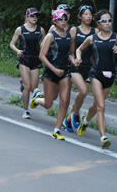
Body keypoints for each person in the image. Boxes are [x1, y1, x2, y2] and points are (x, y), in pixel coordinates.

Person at [75, 9, 117, 148]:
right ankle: (103, 137)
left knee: (96, 106)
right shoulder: (92, 38)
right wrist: (79, 58)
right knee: (101, 106)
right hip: (96, 74)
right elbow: (79, 49)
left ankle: (85, 121)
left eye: (109, 20)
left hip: (110, 75)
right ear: (98, 23)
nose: (107, 23)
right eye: (104, 21)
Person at [30, 9, 75, 140]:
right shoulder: (51, 36)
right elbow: (42, 56)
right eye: (60, 19)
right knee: (49, 103)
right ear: (54, 21)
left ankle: (57, 129)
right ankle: (37, 99)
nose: (63, 21)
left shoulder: (69, 36)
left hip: (65, 71)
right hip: (51, 72)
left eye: (65, 18)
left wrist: (75, 60)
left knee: (64, 100)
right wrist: (54, 69)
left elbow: (71, 54)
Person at [63, 5, 96, 132]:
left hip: (89, 66)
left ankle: (68, 120)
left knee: (81, 96)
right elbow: (70, 52)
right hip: (75, 66)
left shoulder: (95, 32)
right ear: (80, 16)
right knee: (83, 91)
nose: (88, 16)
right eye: (86, 14)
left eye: (90, 14)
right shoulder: (74, 30)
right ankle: (76, 115)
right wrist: (74, 60)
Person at [10, 8, 45, 119]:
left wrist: (44, 54)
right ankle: (25, 110)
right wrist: (17, 51)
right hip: (24, 59)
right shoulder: (20, 29)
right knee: (28, 86)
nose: (34, 18)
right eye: (32, 16)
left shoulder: (41, 30)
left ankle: (24, 84)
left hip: (36, 59)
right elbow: (12, 44)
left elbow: (45, 44)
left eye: (36, 16)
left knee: (34, 88)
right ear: (27, 17)